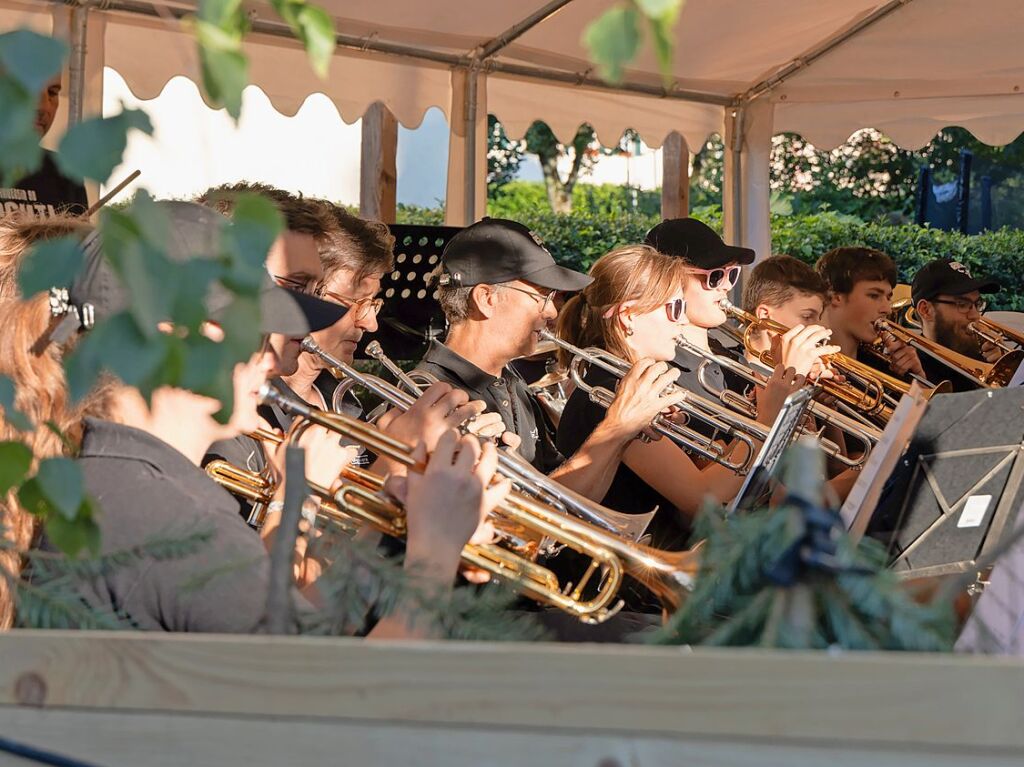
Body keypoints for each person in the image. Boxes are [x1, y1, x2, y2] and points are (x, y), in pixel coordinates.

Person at [10, 201, 504, 637]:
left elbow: (302, 627)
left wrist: (384, 518)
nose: (271, 355)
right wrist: (435, 551)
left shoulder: (127, 481)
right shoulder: (172, 518)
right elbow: (348, 706)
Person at [420, 217, 690, 504]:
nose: (551, 312)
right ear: (487, 298)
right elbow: (535, 512)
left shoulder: (510, 381)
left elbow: (570, 499)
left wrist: (626, 432)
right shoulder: (433, 395)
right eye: (541, 296)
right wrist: (616, 427)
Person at [645, 219, 836, 431]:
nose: (726, 285)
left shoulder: (734, 360)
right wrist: (789, 374)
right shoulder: (663, 371)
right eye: (715, 277)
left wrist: (810, 395)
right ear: (669, 281)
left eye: (731, 273)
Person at [814, 246, 925, 382]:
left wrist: (917, 379)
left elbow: (918, 403)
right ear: (836, 297)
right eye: (874, 295)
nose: (887, 309)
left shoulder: (884, 366)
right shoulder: (805, 363)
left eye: (888, 297)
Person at [1, 75, 88, 218]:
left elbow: (80, 239)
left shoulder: (66, 172)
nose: (43, 107)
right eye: (28, 88)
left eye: (53, 93)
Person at [910, 259, 1003, 391]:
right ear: (926, 310)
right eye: (962, 304)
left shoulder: (982, 358)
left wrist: (1002, 372)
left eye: (977, 304)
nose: (975, 315)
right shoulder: (911, 368)